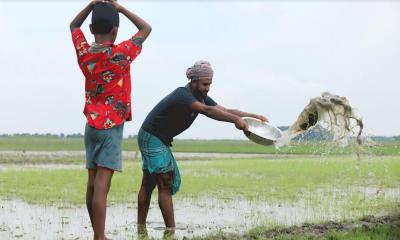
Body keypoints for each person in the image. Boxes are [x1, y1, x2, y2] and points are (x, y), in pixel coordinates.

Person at [136, 60, 268, 232]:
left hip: (157, 137)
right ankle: (171, 230)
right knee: (165, 182)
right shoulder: (182, 95)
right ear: (194, 81)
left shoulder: (202, 96)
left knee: (149, 182)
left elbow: (225, 110)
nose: (208, 88)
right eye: (205, 84)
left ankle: (140, 227)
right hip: (151, 136)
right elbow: (207, 111)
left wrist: (253, 116)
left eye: (210, 84)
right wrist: (236, 121)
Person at [69, 0, 151, 239]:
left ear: (92, 29)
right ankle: (99, 236)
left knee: (92, 183)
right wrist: (121, 8)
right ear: (115, 31)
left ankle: (97, 232)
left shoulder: (85, 54)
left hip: (91, 125)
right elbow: (146, 29)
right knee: (102, 186)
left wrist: (92, 3)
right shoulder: (121, 54)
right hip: (111, 126)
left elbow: (74, 25)